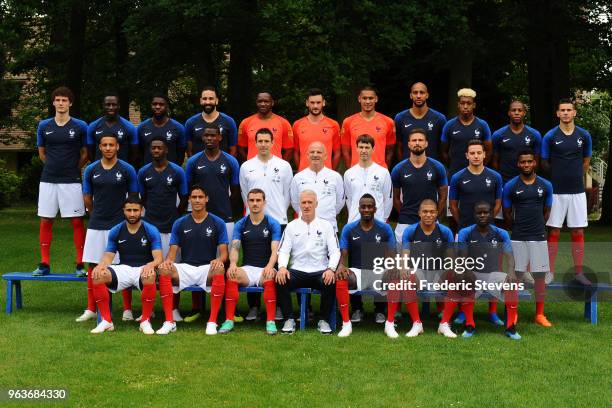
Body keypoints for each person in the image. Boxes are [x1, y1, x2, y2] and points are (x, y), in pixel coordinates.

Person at [76, 133, 138, 323]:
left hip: (120, 225)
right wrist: (95, 214)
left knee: (123, 265)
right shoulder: (91, 169)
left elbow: (133, 197)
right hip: (97, 224)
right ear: (100, 147)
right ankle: (91, 308)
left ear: (117, 147)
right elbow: (87, 197)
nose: (108, 148)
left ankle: (127, 309)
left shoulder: (127, 169)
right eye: (105, 145)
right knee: (94, 266)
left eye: (112, 145)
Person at [184, 124, 241, 322]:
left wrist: (227, 211)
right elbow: (188, 191)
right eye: (205, 135)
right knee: (198, 260)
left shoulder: (231, 161)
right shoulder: (193, 162)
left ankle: (226, 307)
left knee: (223, 263)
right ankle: (196, 307)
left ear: (220, 137)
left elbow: (235, 191)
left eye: (212, 135)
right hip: (199, 218)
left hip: (224, 219)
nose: (209, 138)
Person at [439, 202, 519, 339]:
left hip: (494, 274)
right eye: (479, 213)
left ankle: (511, 327)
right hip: (474, 273)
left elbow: (510, 257)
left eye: (486, 212)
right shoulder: (466, 232)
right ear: (474, 215)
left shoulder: (501, 233)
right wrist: (466, 271)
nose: (482, 215)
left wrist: (511, 271)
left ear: (491, 214)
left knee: (512, 283)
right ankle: (470, 325)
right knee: (464, 281)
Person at [157, 185, 229, 335]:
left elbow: (224, 253)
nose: (197, 200)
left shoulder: (218, 222)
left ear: (206, 199)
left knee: (219, 268)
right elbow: (172, 251)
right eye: (194, 197)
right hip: (186, 267)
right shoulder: (180, 223)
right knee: (164, 269)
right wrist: (168, 261)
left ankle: (212, 321)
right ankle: (169, 321)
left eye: (200, 197)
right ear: (189, 199)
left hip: (206, 268)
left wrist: (218, 260)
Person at [34, 86, 88, 277]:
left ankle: (80, 264)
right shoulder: (44, 125)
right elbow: (42, 153)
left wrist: (74, 168)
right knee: (46, 220)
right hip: (48, 180)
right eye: (58, 100)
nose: (61, 103)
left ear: (70, 103)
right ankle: (44, 263)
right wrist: (53, 167)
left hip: (71, 181)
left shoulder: (80, 126)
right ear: (53, 102)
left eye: (64, 100)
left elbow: (85, 153)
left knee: (76, 221)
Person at [89, 195, 163, 334]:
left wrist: (150, 265)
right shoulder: (116, 230)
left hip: (143, 269)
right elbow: (108, 256)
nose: (132, 214)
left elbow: (158, 258)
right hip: (124, 269)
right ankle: (106, 321)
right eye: (129, 210)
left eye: (136, 210)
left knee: (150, 275)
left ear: (142, 211)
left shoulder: (151, 230)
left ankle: (145, 321)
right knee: (98, 275)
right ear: (124, 210)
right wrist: (101, 265)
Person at [239, 128, 293, 319]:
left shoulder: (284, 166)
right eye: (259, 141)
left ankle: (278, 306)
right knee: (251, 261)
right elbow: (245, 194)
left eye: (266, 141)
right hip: (253, 222)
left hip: (279, 220)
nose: (263, 144)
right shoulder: (246, 166)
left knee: (277, 264)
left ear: (273, 143)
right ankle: (254, 307)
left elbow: (288, 194)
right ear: (255, 143)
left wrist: (277, 212)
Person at [449, 139, 504, 324]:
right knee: (463, 271)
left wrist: (489, 221)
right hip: (465, 231)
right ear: (466, 155)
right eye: (472, 153)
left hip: (489, 233)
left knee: (493, 269)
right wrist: (463, 224)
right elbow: (453, 205)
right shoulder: (457, 177)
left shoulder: (495, 176)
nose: (475, 156)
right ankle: (463, 311)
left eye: (479, 153)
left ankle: (493, 312)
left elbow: (498, 202)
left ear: (484, 154)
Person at [384, 199, 454, 338]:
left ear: (436, 213)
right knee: (405, 278)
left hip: (437, 272)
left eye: (432, 212)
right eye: (425, 211)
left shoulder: (445, 231)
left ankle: (444, 324)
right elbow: (405, 254)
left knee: (455, 278)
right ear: (419, 213)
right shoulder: (410, 231)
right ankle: (417, 323)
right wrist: (404, 267)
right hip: (419, 271)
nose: (428, 215)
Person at [137, 136, 188, 322]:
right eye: (153, 148)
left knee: (172, 269)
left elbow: (184, 197)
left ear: (166, 150)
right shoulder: (143, 172)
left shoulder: (177, 171)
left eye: (160, 148)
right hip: (150, 228)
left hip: (171, 228)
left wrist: (175, 215)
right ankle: (148, 310)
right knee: (149, 271)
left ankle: (174, 309)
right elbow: (141, 197)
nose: (156, 151)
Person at [541, 98, 592, 286]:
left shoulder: (584, 135)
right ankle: (550, 272)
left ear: (574, 113)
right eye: (562, 110)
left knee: (578, 231)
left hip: (577, 192)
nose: (565, 113)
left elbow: (586, 160)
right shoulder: (550, 136)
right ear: (557, 113)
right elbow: (544, 162)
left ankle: (578, 272)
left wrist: (577, 176)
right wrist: (557, 176)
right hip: (556, 192)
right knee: (553, 231)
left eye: (569, 110)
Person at [218, 188, 282, 335]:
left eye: (258, 200)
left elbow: (275, 250)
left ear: (264, 202)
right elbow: (235, 247)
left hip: (265, 268)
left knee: (270, 275)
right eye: (252, 200)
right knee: (232, 274)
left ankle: (270, 321)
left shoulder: (273, 223)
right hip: (247, 268)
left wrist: (270, 266)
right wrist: (233, 264)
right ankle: (229, 320)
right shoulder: (241, 224)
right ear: (247, 202)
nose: (255, 203)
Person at [276, 190, 341, 334]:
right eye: (304, 202)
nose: (306, 206)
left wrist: (331, 269)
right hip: (297, 271)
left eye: (310, 202)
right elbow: (284, 251)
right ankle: (289, 319)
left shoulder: (326, 226)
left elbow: (335, 251)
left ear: (316, 204)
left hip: (320, 271)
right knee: (280, 279)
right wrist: (281, 267)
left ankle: (324, 320)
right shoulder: (291, 226)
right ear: (299, 204)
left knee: (330, 280)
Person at [503, 150, 554, 327]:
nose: (526, 165)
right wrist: (516, 228)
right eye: (523, 162)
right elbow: (507, 213)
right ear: (518, 164)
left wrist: (539, 226)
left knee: (539, 276)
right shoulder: (510, 186)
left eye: (529, 162)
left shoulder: (546, 185)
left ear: (535, 163)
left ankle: (539, 314)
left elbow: (547, 211)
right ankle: (513, 313)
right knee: (516, 275)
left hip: (538, 235)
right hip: (518, 236)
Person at [335, 194, 396, 337]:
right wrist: (341, 266)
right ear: (359, 209)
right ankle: (346, 323)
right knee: (341, 277)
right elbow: (343, 253)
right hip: (358, 273)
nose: (366, 209)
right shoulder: (349, 228)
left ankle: (390, 323)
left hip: (379, 272)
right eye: (363, 206)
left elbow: (392, 254)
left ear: (375, 209)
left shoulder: (385, 228)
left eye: (370, 206)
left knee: (395, 278)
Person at [391, 128, 448, 244]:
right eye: (414, 140)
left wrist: (433, 215)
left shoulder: (437, 167)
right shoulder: (398, 169)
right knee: (404, 260)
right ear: (408, 144)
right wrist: (405, 212)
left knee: (431, 260)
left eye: (420, 140)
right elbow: (395, 198)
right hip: (405, 222)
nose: (417, 143)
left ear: (426, 143)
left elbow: (443, 196)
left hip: (430, 222)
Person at [290, 141, 344, 232]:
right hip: (304, 228)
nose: (315, 155)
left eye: (319, 152)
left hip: (329, 228)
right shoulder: (298, 177)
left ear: (325, 156)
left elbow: (340, 202)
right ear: (307, 155)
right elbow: (295, 203)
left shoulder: (335, 177)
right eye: (312, 152)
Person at [441, 88, 492, 178]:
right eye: (462, 103)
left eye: (469, 103)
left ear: (474, 105)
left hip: (477, 174)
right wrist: (452, 165)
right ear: (458, 105)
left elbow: (488, 152)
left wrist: (479, 167)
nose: (465, 106)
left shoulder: (482, 125)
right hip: (454, 173)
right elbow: (443, 152)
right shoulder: (449, 125)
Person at [341, 86, 396, 168]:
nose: (367, 101)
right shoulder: (348, 122)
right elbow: (345, 152)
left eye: (370, 98)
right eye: (364, 98)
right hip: (356, 171)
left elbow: (390, 152)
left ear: (376, 99)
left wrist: (383, 170)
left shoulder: (388, 122)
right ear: (359, 99)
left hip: (379, 172)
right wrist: (351, 171)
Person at [344, 134, 393, 224]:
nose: (363, 150)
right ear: (356, 149)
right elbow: (349, 200)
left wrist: (382, 218)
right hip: (355, 221)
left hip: (377, 221)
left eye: (367, 147)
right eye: (361, 147)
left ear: (373, 149)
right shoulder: (349, 174)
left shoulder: (383, 172)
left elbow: (388, 199)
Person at [491, 100, 542, 184]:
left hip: (527, 181)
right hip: (505, 181)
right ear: (509, 113)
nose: (517, 113)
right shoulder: (498, 135)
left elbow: (536, 160)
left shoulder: (534, 134)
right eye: (514, 110)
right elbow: (495, 160)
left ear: (524, 113)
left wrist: (531, 179)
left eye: (520, 110)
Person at [395, 82, 447, 161]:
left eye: (422, 93)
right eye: (415, 93)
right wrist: (402, 165)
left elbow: (444, 147)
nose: (418, 96)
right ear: (411, 95)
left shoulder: (439, 118)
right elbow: (398, 146)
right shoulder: (400, 118)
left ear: (427, 95)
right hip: (407, 169)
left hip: (432, 169)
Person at [292, 88, 341, 171]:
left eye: (318, 103)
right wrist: (301, 170)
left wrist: (331, 171)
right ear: (307, 103)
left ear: (323, 103)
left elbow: (337, 153)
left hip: (326, 175)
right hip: (304, 175)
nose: (315, 106)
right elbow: (295, 153)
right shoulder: (297, 125)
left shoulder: (333, 125)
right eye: (312, 103)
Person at [237, 91, 293, 162]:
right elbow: (240, 147)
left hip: (275, 169)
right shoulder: (246, 123)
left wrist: (281, 165)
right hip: (253, 168)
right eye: (260, 101)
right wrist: (249, 162)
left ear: (272, 103)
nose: (263, 104)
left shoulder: (284, 123)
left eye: (266, 101)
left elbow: (289, 149)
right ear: (256, 103)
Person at [184, 86, 238, 157]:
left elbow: (233, 150)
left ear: (217, 101)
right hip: (199, 166)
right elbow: (189, 150)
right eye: (204, 99)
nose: (207, 102)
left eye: (211, 98)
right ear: (200, 101)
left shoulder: (228, 121)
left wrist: (227, 166)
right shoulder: (190, 122)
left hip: (222, 167)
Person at [86, 93, 138, 164]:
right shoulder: (93, 126)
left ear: (119, 106)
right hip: (99, 171)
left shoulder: (129, 127)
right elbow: (90, 152)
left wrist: (124, 166)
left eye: (114, 105)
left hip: (121, 171)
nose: (111, 107)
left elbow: (134, 154)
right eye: (108, 104)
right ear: (103, 106)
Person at [137, 94, 186, 165]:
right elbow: (139, 153)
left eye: (161, 104)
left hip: (171, 173)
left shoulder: (178, 128)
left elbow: (181, 154)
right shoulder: (142, 127)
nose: (157, 107)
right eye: (154, 104)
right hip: (148, 174)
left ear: (167, 107)